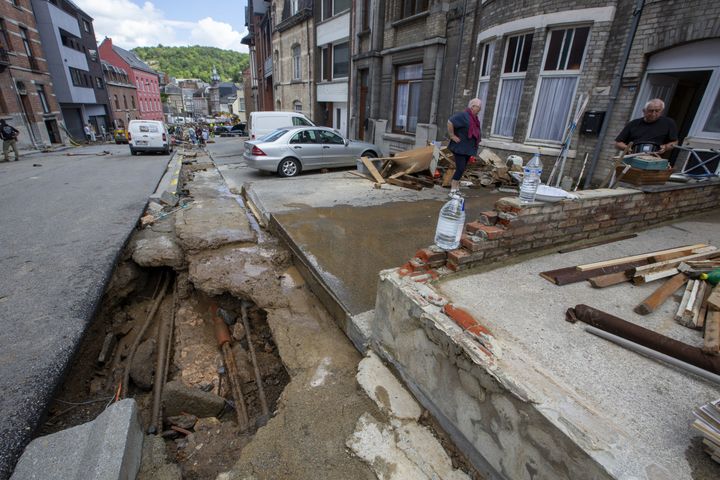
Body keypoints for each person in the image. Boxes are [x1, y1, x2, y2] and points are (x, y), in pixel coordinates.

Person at [447, 98, 482, 196]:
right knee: (460, 168)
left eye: (480, 107)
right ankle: (453, 190)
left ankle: (456, 188)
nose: (480, 109)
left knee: (462, 168)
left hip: (467, 148)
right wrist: (452, 135)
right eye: (478, 107)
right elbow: (450, 122)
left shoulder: (474, 119)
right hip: (459, 147)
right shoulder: (463, 115)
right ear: (472, 106)